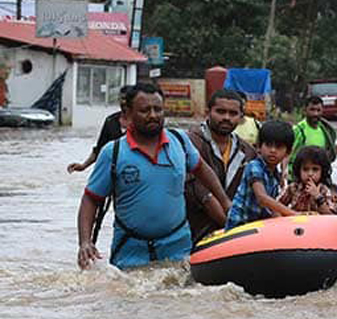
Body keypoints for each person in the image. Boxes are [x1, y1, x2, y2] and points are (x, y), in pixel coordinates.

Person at [77, 83, 231, 270]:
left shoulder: (180, 142)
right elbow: (91, 199)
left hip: (177, 249)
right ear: (128, 113)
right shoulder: (113, 152)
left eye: (158, 109)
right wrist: (85, 242)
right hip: (130, 252)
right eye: (145, 110)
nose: (153, 115)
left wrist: (225, 202)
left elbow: (203, 170)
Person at [185, 89, 257, 243]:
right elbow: (199, 191)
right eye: (220, 111)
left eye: (233, 113)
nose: (226, 118)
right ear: (207, 112)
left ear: (241, 117)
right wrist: (231, 229)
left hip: (235, 234)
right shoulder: (190, 143)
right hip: (195, 232)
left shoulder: (247, 151)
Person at [226, 120, 296, 229]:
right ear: (259, 147)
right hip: (239, 226)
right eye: (268, 145)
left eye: (278, 147)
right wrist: (293, 214)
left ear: (287, 152)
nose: (272, 150)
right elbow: (262, 198)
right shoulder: (254, 166)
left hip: (256, 226)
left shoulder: (275, 176)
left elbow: (272, 208)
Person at [67, 86, 130, 173]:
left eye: (128, 99)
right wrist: (83, 166)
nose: (124, 102)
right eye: (122, 98)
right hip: (112, 171)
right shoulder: (110, 121)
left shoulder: (140, 123)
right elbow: (100, 149)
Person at [279, 146, 337, 214]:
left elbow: (330, 215)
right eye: (305, 169)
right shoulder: (293, 188)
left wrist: (317, 196)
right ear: (299, 170)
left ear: (322, 171)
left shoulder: (324, 191)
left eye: (315, 169)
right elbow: (277, 205)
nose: (310, 174)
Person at [288, 95, 337, 180]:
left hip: (318, 178)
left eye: (318, 110)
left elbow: (328, 155)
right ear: (305, 110)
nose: (315, 114)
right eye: (312, 110)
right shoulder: (299, 130)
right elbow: (289, 155)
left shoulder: (324, 130)